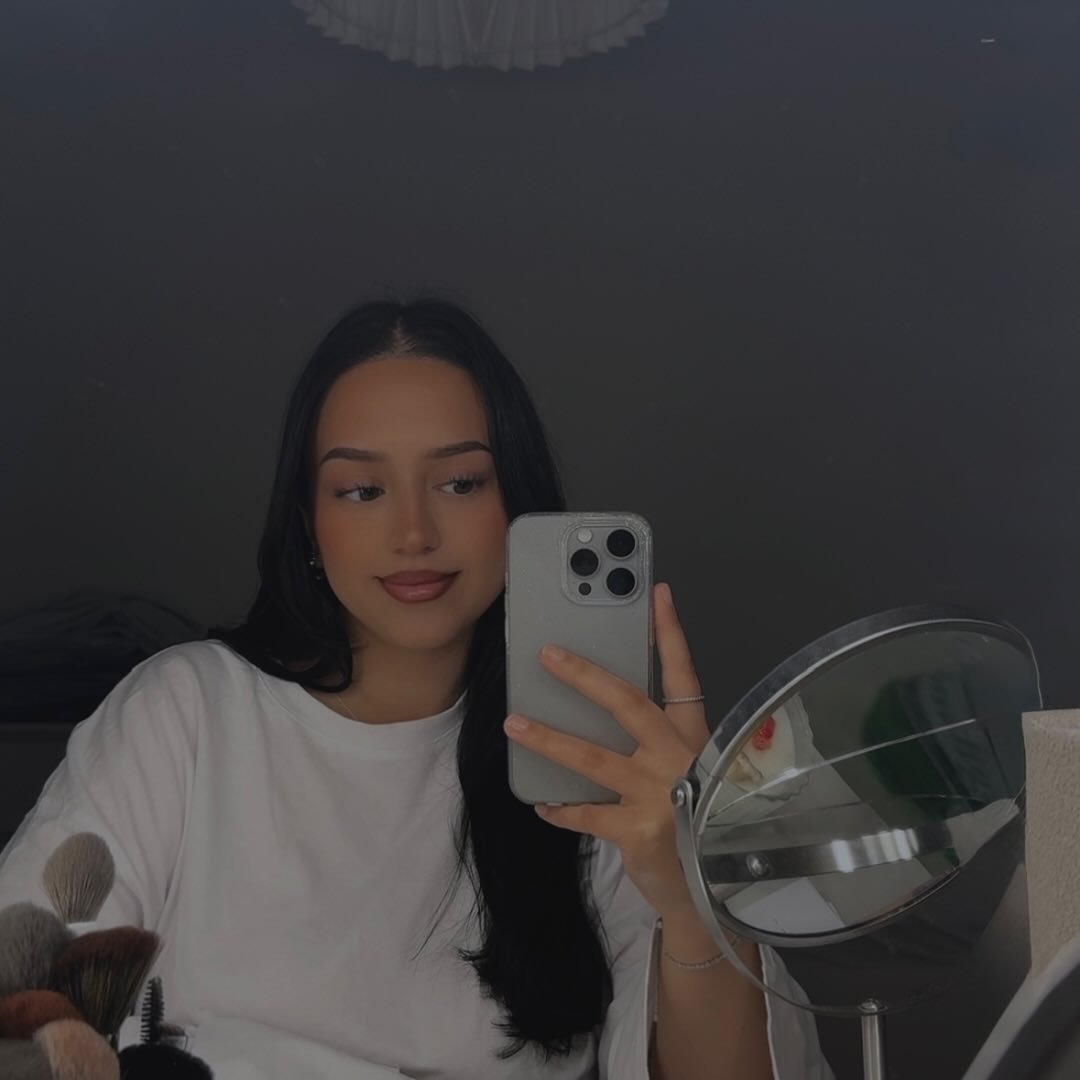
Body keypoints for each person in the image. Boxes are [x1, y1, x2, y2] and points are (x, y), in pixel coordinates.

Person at [0, 299, 830, 1078]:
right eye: (361, 490)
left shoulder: (601, 769)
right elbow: (23, 997)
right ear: (309, 524)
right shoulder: (187, 715)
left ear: (518, 505)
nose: (412, 533)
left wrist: (691, 894)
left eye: (460, 482)